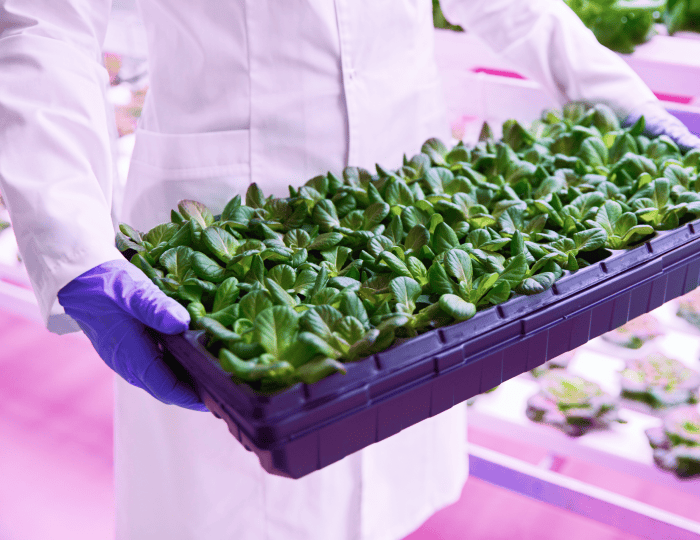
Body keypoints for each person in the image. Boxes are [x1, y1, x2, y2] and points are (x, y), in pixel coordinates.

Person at [1, 0, 698, 538]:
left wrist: (617, 93)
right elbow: (43, 24)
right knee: (232, 510)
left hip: (410, 210)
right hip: (220, 239)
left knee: (386, 494)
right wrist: (70, 242)